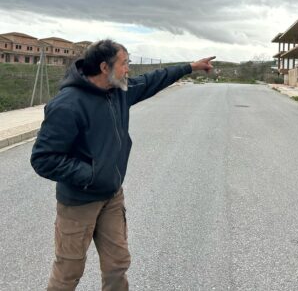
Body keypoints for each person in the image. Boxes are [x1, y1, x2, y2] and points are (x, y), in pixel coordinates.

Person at [30, 39, 214, 291]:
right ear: (105, 67)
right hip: (78, 203)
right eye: (125, 64)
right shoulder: (68, 104)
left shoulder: (118, 91)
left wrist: (190, 67)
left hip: (111, 197)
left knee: (118, 264)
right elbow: (43, 158)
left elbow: (152, 80)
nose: (128, 69)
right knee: (68, 271)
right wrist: (91, 174)